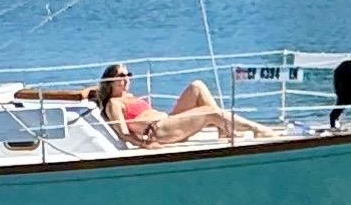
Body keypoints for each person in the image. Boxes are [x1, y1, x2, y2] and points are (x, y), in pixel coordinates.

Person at [97, 63, 276, 148]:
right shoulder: (114, 103)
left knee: (197, 86)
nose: (126, 79)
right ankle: (256, 128)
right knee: (209, 112)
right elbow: (123, 133)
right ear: (110, 81)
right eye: (121, 76)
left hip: (168, 121)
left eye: (128, 74)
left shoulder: (129, 96)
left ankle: (224, 128)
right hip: (158, 131)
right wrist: (146, 145)